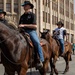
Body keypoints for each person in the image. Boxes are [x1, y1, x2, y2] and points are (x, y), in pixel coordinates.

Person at [18, 1, 44, 67]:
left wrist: (23, 25)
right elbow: (19, 25)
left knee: (36, 42)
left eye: (25, 5)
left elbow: (34, 26)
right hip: (22, 32)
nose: (24, 7)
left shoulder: (32, 15)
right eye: (23, 6)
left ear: (29, 6)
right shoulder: (22, 16)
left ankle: (41, 59)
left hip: (31, 31)